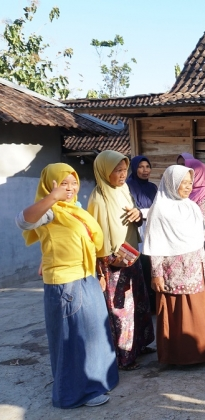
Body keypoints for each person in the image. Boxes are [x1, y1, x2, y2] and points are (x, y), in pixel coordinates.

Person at [16, 163, 118, 408]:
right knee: (74, 339)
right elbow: (24, 221)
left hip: (85, 278)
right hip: (67, 283)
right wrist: (52, 197)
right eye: (64, 183)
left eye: (73, 183)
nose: (70, 188)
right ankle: (75, 394)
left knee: (94, 336)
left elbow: (75, 242)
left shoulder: (74, 209)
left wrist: (97, 272)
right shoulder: (52, 210)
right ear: (50, 185)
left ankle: (96, 382)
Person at [88, 150, 155, 371]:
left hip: (131, 254)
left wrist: (137, 214)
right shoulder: (99, 197)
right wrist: (108, 259)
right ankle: (124, 356)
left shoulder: (124, 189)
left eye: (124, 170)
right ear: (105, 171)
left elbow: (132, 216)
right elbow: (95, 233)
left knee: (138, 301)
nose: (122, 174)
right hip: (113, 261)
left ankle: (140, 344)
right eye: (117, 170)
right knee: (121, 308)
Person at [144, 165, 205, 366]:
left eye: (190, 183)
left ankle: (200, 353)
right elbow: (154, 243)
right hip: (173, 272)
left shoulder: (191, 206)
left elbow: (204, 236)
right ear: (171, 183)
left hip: (196, 270)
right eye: (183, 182)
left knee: (198, 311)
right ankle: (178, 357)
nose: (187, 187)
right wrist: (156, 274)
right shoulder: (160, 209)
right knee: (177, 313)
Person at [126, 155, 158, 309]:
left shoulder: (153, 188)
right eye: (141, 167)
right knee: (139, 264)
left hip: (151, 228)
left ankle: (152, 303)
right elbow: (129, 210)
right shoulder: (128, 187)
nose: (145, 170)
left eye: (147, 167)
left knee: (151, 264)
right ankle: (140, 303)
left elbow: (158, 207)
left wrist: (144, 212)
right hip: (136, 229)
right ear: (134, 168)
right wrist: (145, 213)